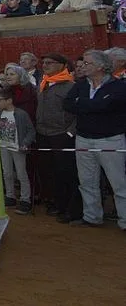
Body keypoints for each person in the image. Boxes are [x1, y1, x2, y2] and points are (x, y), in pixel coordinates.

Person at [63, 49, 126, 229]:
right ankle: (91, 217)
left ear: (100, 66)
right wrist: (95, 105)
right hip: (83, 138)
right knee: (87, 182)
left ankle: (125, 220)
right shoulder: (81, 84)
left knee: (119, 183)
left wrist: (83, 104)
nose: (82, 66)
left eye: (87, 63)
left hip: (110, 140)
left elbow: (107, 105)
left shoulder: (119, 86)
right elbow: (67, 104)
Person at [35, 54, 81, 222]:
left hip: (61, 135)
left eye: (50, 62)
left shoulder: (71, 86)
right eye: (44, 62)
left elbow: (78, 113)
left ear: (62, 65)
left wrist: (70, 132)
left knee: (66, 172)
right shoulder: (44, 83)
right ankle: (56, 203)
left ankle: (70, 208)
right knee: (49, 171)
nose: (45, 65)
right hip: (43, 133)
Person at [0, 89, 36, 215]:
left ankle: (25, 199)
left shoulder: (21, 114)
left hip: (17, 148)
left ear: (9, 100)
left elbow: (31, 130)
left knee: (21, 174)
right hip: (4, 146)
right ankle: (10, 196)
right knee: (7, 173)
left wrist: (25, 143)